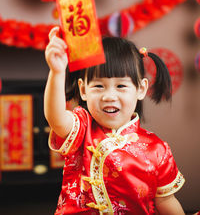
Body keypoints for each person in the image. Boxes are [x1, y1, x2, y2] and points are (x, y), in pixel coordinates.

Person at [44, 26, 185, 214]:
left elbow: (167, 201)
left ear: (141, 89)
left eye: (120, 85)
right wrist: (57, 72)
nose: (109, 96)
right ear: (83, 90)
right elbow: (56, 119)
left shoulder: (157, 149)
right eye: (99, 86)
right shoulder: (82, 127)